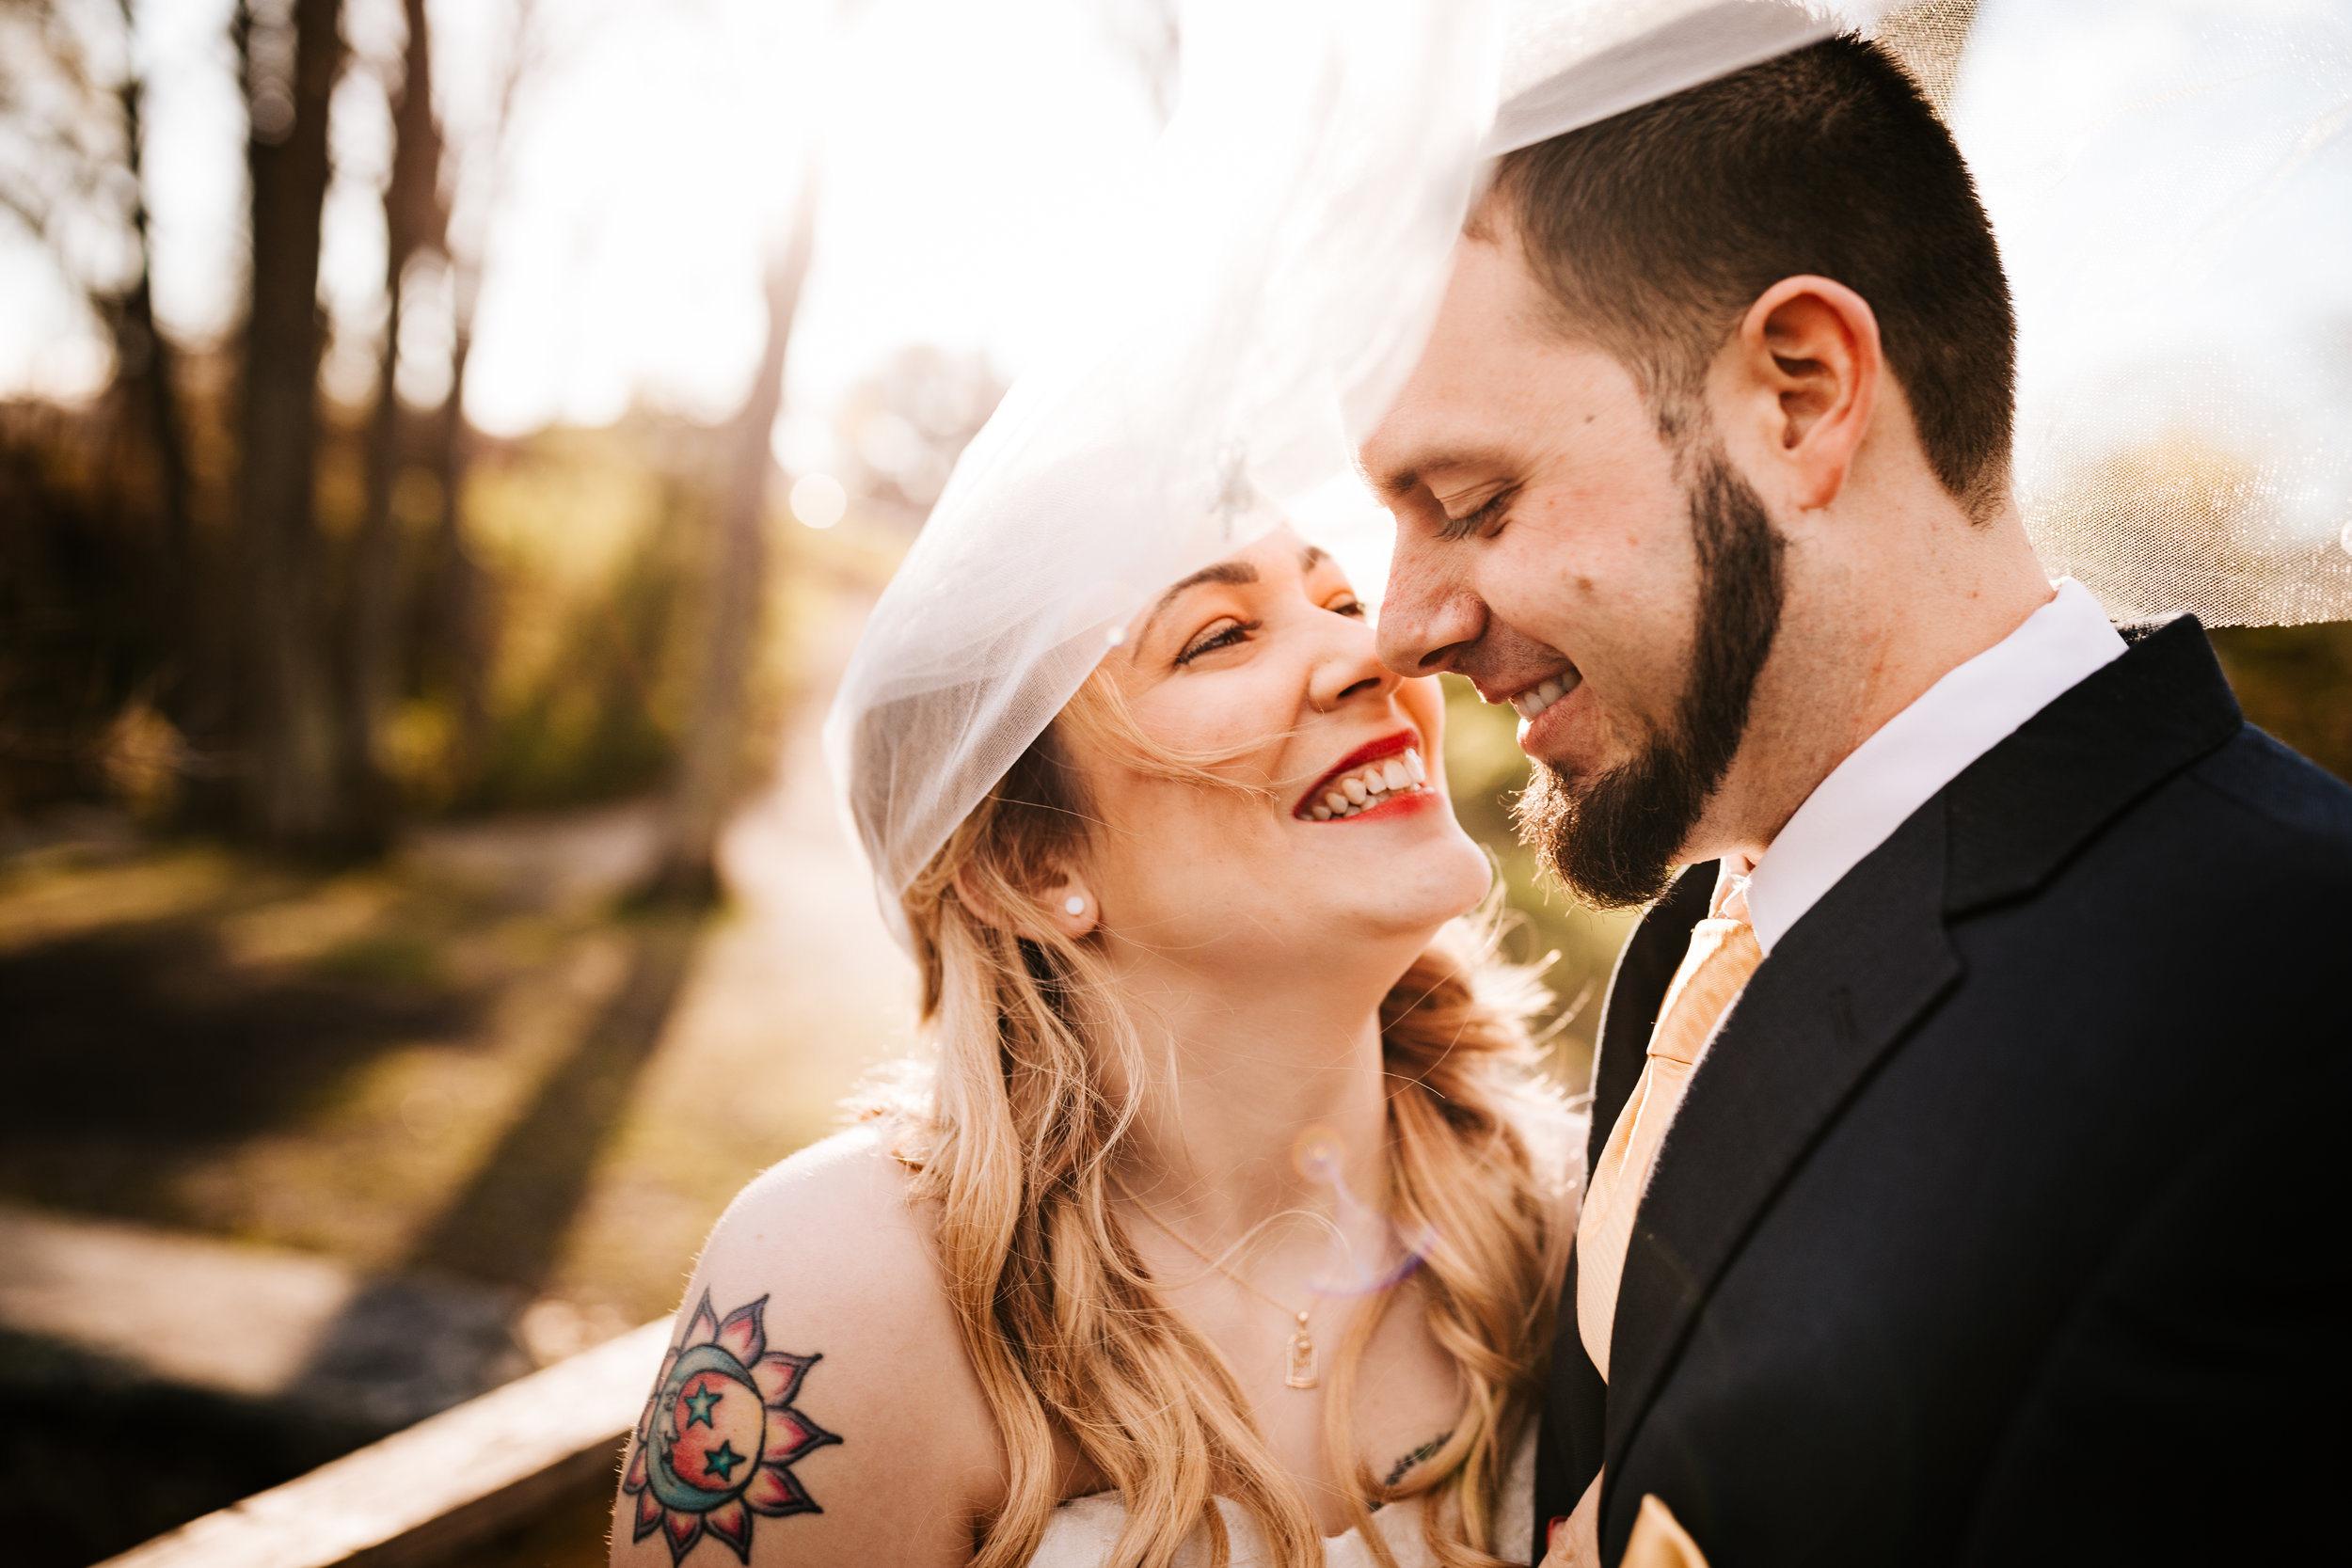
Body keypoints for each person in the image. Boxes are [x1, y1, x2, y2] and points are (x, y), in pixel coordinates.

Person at [1360, 32, 2350, 1566]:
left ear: (1802, 394)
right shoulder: (1704, 928)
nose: (1402, 625)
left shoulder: (2290, 1000)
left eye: (1475, 504)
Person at [609, 527, 1578, 1567]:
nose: (1378, 652)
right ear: (1034, 862)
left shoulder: (1574, 1215)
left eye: (1341, 602)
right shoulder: (835, 1294)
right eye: (1217, 636)